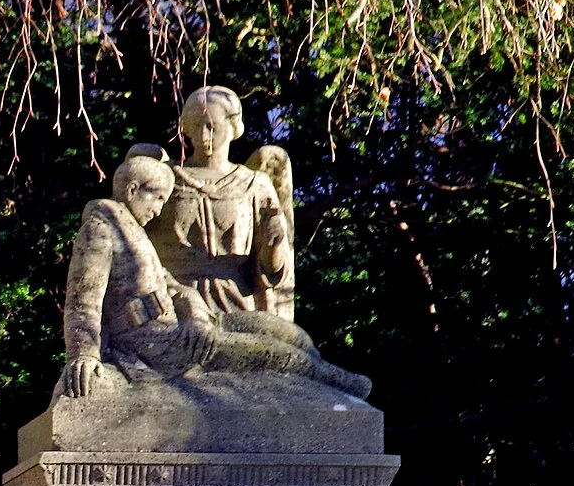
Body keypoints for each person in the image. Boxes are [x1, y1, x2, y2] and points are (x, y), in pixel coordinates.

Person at [62, 155, 369, 400]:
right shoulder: (100, 231)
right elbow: (83, 298)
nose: (159, 210)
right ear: (132, 190)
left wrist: (197, 316)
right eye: (157, 199)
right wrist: (84, 354)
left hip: (188, 324)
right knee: (277, 355)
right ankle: (337, 384)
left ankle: (330, 375)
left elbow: (173, 286)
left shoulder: (134, 233)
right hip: (159, 343)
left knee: (281, 330)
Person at [146, 87, 296, 319]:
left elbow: (273, 273)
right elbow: (129, 243)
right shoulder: (165, 177)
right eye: (196, 126)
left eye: (212, 126)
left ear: (233, 126)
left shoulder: (254, 184)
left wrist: (273, 244)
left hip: (237, 304)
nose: (203, 136)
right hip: (173, 302)